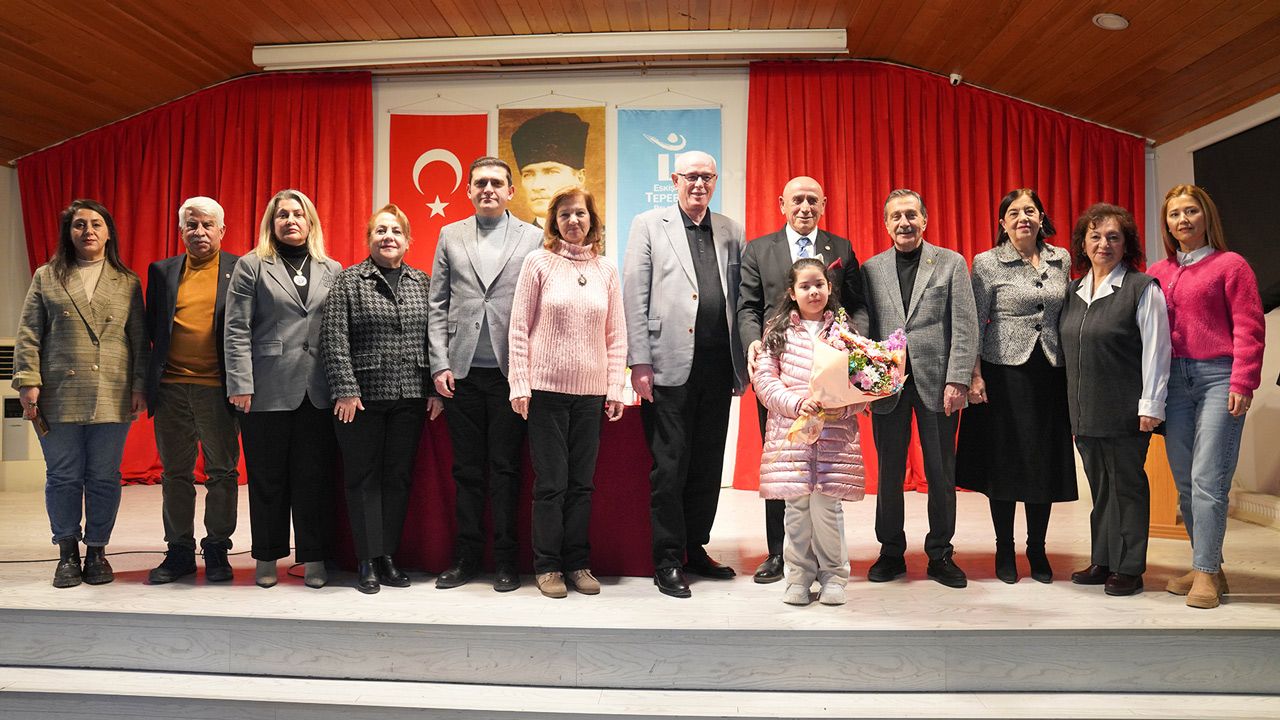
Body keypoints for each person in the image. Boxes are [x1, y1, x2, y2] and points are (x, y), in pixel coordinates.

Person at [623, 150, 748, 599]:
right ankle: (668, 559)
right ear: (675, 179)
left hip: (718, 366)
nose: (699, 184)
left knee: (707, 464)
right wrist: (639, 360)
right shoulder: (648, 224)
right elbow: (634, 294)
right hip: (666, 365)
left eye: (707, 177)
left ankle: (695, 547)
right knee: (670, 466)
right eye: (692, 176)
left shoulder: (732, 230)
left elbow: (741, 298)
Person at [738, 176, 868, 584]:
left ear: (824, 204)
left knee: (829, 474)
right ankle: (779, 554)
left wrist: (857, 349)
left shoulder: (841, 248)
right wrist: (754, 343)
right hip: (783, 372)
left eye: (813, 199)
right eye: (797, 200)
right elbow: (748, 307)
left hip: (833, 377)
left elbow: (858, 305)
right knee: (784, 464)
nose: (805, 207)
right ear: (782, 204)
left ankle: (828, 564)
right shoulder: (759, 249)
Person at [14, 199, 147, 588]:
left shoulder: (127, 281)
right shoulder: (47, 276)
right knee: (63, 476)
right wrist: (28, 381)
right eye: (79, 224)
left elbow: (139, 340)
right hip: (58, 392)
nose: (88, 231)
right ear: (68, 232)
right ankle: (67, 552)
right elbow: (29, 332)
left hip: (113, 391)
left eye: (96, 224)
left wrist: (139, 385)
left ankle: (97, 551)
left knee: (104, 476)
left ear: (108, 233)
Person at [428, 156, 543, 592]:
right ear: (469, 190)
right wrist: (439, 363)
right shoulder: (449, 234)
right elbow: (437, 304)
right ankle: (466, 558)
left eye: (496, 183)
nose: (488, 189)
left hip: (510, 375)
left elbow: (540, 308)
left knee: (506, 469)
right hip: (461, 376)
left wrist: (530, 372)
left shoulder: (533, 237)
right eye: (480, 183)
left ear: (511, 191)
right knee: (467, 471)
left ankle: (506, 560)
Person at [507, 187, 626, 598]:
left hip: (591, 395)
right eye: (565, 215)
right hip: (546, 393)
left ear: (592, 219)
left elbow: (616, 335)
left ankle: (577, 563)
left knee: (581, 485)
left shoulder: (607, 269)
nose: (573, 221)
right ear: (554, 223)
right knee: (551, 484)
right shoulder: (538, 262)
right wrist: (519, 383)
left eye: (580, 213)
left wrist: (615, 388)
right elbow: (518, 328)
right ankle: (547, 566)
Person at [1149, 185, 1265, 609]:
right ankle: (1209, 567)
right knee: (1185, 482)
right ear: (1167, 225)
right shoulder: (1158, 272)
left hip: (1219, 377)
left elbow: (1249, 326)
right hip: (1175, 384)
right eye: (1174, 214)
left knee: (1208, 479)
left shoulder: (1231, 265)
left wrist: (1243, 382)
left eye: (1191, 211)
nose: (1182, 219)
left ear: (1206, 216)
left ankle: (1205, 573)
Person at [955, 189, 1077, 584]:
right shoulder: (987, 262)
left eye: (1030, 210)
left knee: (1043, 461)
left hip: (1051, 372)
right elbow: (974, 322)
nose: (1023, 217)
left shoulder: (1061, 259)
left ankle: (1037, 548)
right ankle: (1004, 547)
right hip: (1003, 374)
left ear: (1041, 217)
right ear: (1002, 223)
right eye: (1013, 212)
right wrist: (974, 375)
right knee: (1005, 463)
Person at [321, 204, 443, 594]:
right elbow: (334, 339)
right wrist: (345, 388)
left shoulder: (422, 282)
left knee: (398, 478)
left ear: (408, 240)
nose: (388, 237)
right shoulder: (348, 281)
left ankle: (388, 555)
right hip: (361, 399)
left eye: (396, 231)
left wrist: (433, 390)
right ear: (369, 239)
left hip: (410, 396)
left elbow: (435, 339)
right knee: (363, 479)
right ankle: (366, 559)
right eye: (380, 231)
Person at [225, 189, 342, 589]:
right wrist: (240, 382)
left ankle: (313, 557)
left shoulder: (332, 268)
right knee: (267, 478)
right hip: (265, 388)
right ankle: (266, 556)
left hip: (318, 390)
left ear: (310, 222)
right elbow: (236, 328)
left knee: (314, 479)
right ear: (271, 223)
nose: (291, 220)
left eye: (298, 214)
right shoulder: (252, 265)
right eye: (282, 215)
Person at [860, 189, 978, 588]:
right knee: (889, 472)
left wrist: (958, 379)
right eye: (895, 216)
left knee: (941, 472)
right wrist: (864, 385)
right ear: (886, 224)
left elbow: (965, 325)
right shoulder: (871, 269)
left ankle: (941, 553)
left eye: (911, 215)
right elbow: (866, 328)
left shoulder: (950, 263)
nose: (904, 222)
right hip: (887, 387)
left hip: (938, 383)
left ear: (924, 220)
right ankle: (890, 551)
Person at [1062, 203, 1170, 597]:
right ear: (1083, 244)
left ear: (1127, 245)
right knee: (1101, 488)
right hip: (1084, 411)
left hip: (1125, 410)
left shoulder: (1142, 289)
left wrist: (1151, 405)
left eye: (1113, 237)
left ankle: (1129, 567)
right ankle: (1104, 560)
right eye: (1095, 236)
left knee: (1126, 487)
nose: (1103, 244)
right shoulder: (1073, 291)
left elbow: (1157, 351)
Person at [754, 258, 866, 606]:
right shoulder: (777, 332)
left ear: (830, 288)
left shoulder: (846, 334)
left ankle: (834, 577)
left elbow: (863, 386)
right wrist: (794, 403)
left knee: (828, 510)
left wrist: (842, 407)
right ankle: (798, 578)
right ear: (792, 292)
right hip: (793, 438)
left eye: (819, 284)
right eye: (804, 286)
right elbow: (764, 380)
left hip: (834, 439)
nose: (813, 291)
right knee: (797, 511)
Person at [144, 196, 241, 584]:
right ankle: (179, 550)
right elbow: (153, 328)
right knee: (175, 474)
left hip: (218, 388)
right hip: (171, 390)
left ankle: (217, 548)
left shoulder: (241, 269)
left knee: (222, 473)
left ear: (222, 230)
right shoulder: (162, 271)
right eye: (191, 225)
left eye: (207, 224)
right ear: (180, 230)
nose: (199, 231)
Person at [510, 111, 589, 228]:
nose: (536, 186)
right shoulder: (515, 238)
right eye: (528, 175)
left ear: (580, 178)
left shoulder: (606, 236)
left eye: (551, 172)